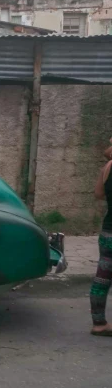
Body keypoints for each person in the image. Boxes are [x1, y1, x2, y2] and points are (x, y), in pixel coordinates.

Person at [91, 142, 112, 335]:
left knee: (102, 278)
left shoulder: (107, 167)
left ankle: (99, 323)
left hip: (108, 232)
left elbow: (98, 194)